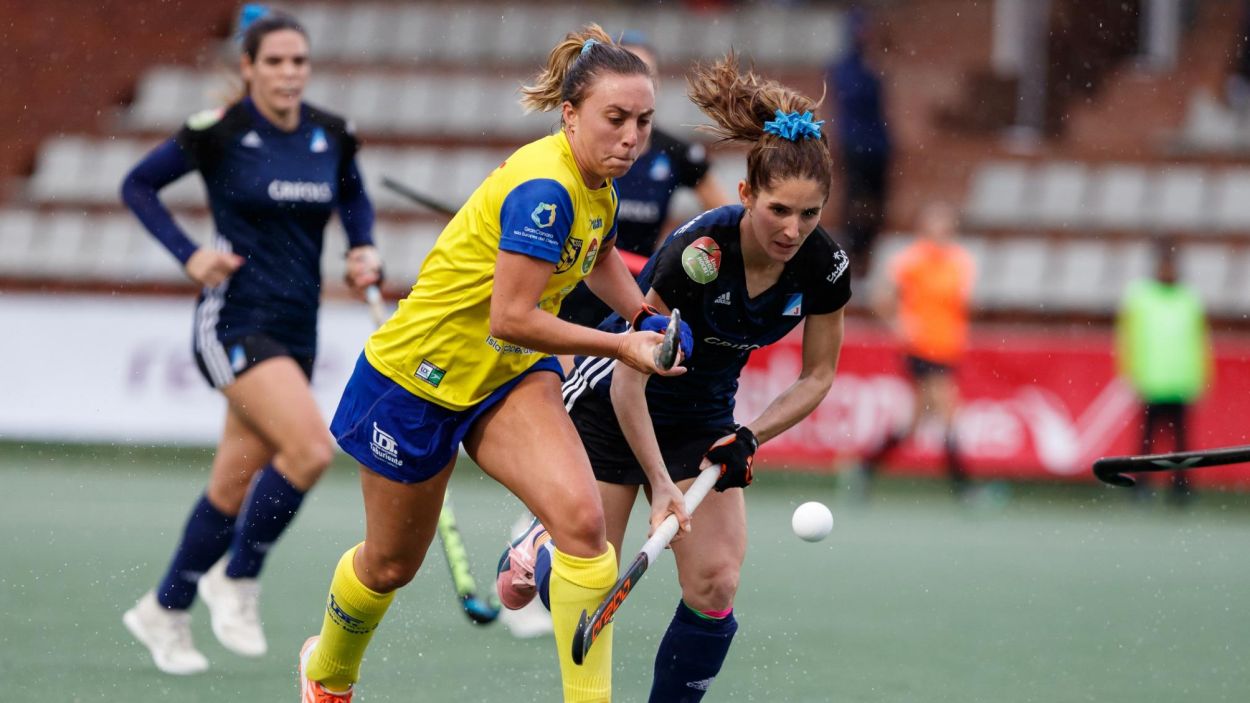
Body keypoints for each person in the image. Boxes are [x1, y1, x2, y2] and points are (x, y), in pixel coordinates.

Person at [296, 25, 690, 703]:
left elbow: (594, 256)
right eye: (616, 119)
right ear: (570, 115)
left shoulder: (598, 182)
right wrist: (623, 346)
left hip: (508, 374)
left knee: (584, 525)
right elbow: (513, 316)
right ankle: (327, 673)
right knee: (391, 564)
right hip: (417, 380)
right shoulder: (548, 188)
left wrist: (642, 317)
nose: (632, 138)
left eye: (644, 122)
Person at [495, 54, 851, 701]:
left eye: (809, 213)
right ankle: (536, 545)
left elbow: (818, 374)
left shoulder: (823, 266)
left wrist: (749, 435)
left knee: (716, 581)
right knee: (582, 578)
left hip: (703, 415)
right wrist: (660, 482)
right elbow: (631, 377)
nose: (792, 229)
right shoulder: (699, 256)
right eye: (778, 210)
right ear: (744, 195)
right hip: (618, 397)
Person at [118, 7, 381, 676]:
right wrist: (187, 253)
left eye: (299, 61)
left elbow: (353, 197)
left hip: (298, 323)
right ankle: (238, 575)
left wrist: (362, 248)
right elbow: (138, 184)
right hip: (234, 318)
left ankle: (164, 606)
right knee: (309, 449)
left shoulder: (331, 133)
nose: (290, 73)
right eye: (275, 62)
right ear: (249, 68)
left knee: (232, 483)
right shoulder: (220, 132)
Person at [556, 30, 729, 330]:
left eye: (646, 72)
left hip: (632, 294)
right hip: (572, 296)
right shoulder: (563, 160)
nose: (629, 141)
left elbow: (726, 222)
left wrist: (677, 250)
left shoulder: (675, 153)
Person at [852, 202, 974, 499]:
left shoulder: (960, 261)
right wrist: (898, 324)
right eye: (934, 228)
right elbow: (881, 296)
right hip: (921, 349)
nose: (940, 233)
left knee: (915, 423)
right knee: (948, 412)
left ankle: (865, 468)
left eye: (945, 228)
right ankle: (965, 488)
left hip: (946, 350)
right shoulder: (911, 260)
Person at [1115, 238, 1211, 505]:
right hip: (1151, 382)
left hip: (1181, 382)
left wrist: (1202, 378)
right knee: (1146, 442)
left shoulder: (1189, 297)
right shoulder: (1140, 297)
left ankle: (1180, 488)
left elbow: (1199, 342)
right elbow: (1128, 340)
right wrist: (1129, 374)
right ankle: (1141, 487)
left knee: (1181, 443)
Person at [827, 6, 892, 279]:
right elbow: (854, 99)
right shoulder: (845, 68)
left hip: (876, 144)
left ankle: (866, 250)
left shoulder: (873, 65)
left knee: (876, 201)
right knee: (856, 200)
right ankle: (854, 252)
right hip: (857, 143)